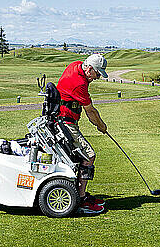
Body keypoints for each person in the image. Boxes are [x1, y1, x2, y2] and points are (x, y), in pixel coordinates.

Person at [57, 53, 109, 214]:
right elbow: (91, 112)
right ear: (89, 69)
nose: (98, 77)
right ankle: (80, 200)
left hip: (63, 119)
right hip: (64, 122)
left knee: (81, 156)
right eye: (97, 73)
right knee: (89, 155)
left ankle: (81, 195)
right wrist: (101, 126)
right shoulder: (79, 84)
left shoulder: (76, 65)